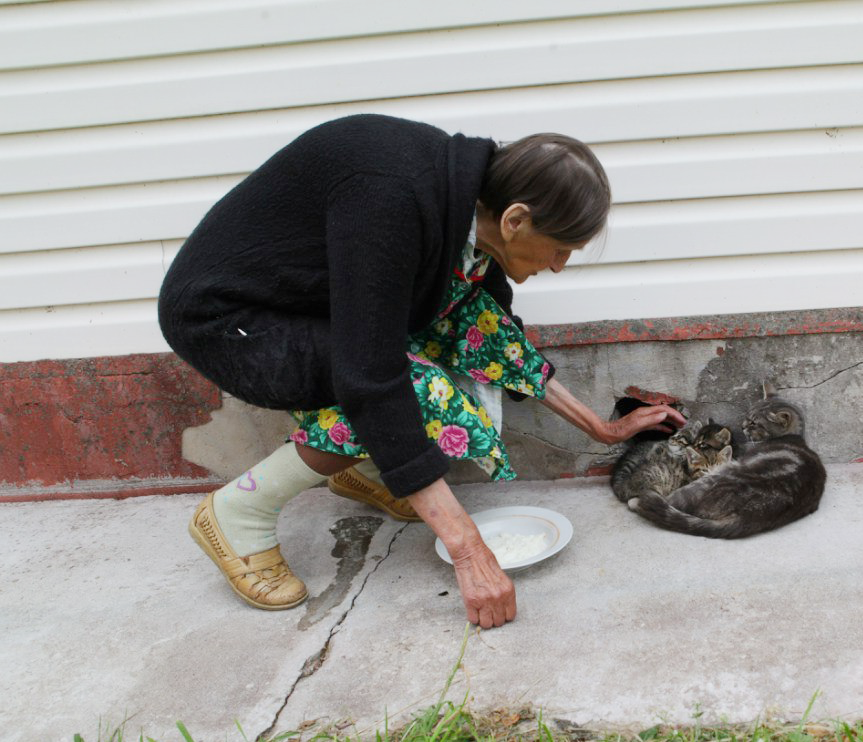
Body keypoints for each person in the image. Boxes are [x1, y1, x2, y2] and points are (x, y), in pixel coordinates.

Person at [158, 114, 683, 628]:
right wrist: (467, 548)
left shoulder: (467, 209)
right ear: (516, 219)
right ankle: (238, 513)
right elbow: (372, 377)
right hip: (230, 318)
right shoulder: (391, 198)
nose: (558, 264)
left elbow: (490, 331)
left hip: (308, 302)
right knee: (414, 391)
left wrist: (601, 427)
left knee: (468, 320)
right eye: (561, 248)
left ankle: (358, 468)